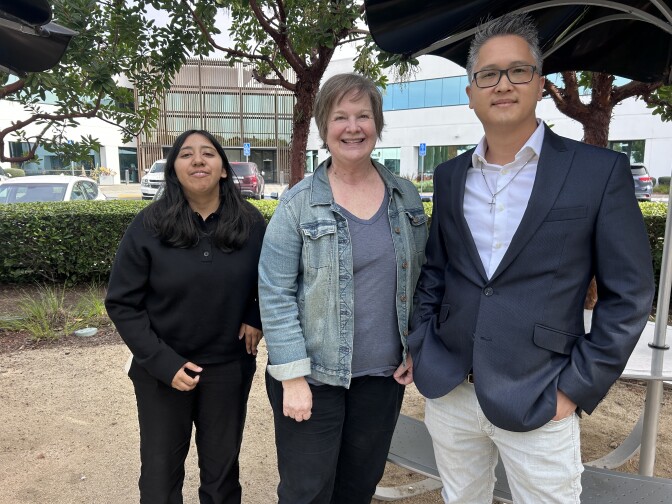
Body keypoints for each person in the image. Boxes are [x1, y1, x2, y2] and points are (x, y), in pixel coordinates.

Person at [408, 13, 654, 504]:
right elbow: (437, 270)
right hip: (451, 386)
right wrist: (422, 346)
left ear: (539, 83)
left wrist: (576, 388)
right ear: (471, 90)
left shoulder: (598, 173)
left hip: (542, 392)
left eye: (518, 70)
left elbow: (630, 294)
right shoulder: (450, 176)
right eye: (488, 74)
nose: (503, 84)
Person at [258, 72, 428, 504]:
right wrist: (293, 377)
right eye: (340, 117)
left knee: (358, 487)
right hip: (313, 379)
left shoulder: (405, 198)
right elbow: (274, 293)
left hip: (381, 377)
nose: (353, 127)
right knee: (307, 492)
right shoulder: (297, 204)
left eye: (363, 116)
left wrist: (415, 346)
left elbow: (423, 277)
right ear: (323, 128)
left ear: (378, 125)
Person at [105, 129, 265, 504]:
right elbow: (122, 303)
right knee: (160, 481)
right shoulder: (148, 225)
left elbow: (274, 280)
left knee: (222, 479)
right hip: (162, 370)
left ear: (224, 169)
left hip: (228, 368)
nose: (197, 160)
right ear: (173, 169)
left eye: (208, 153)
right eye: (186, 154)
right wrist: (164, 363)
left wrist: (255, 315)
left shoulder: (251, 223)